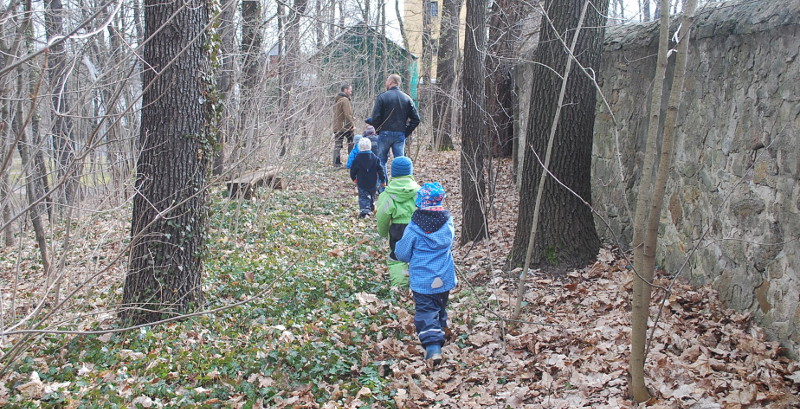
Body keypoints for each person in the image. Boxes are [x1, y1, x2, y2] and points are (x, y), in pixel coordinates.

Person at [394, 182, 456, 365]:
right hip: (444, 276)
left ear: (419, 203)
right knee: (440, 304)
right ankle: (442, 328)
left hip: (423, 278)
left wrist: (398, 251)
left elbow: (403, 252)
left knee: (426, 310)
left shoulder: (414, 227)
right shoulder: (448, 221)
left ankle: (433, 346)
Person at [375, 156, 419, 286]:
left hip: (397, 230)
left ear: (393, 173)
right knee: (417, 255)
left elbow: (382, 216)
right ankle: (418, 283)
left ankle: (400, 286)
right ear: (410, 172)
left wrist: (383, 233)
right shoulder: (420, 192)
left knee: (397, 257)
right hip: (418, 228)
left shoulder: (387, 195)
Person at [366, 74, 421, 169]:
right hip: (400, 133)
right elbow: (416, 119)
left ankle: (382, 183)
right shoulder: (407, 98)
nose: (386, 83)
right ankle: (400, 183)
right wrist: (406, 132)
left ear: (391, 82)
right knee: (400, 162)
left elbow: (375, 118)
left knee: (381, 161)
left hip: (384, 133)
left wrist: (379, 130)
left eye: (387, 81)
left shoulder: (382, 97)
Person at [350, 138, 386, 218]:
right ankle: (371, 207)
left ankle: (365, 211)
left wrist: (354, 178)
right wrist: (383, 180)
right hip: (373, 181)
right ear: (370, 147)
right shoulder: (375, 158)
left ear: (359, 147)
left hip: (362, 181)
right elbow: (380, 170)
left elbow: (353, 170)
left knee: (363, 197)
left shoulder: (357, 159)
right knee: (372, 195)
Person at [332, 84, 355, 167]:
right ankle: (351, 162)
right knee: (351, 144)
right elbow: (347, 114)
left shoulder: (337, 100)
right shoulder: (345, 100)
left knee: (337, 145)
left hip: (337, 126)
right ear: (345, 90)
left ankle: (336, 163)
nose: (351, 91)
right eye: (350, 90)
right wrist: (352, 125)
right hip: (345, 127)